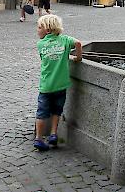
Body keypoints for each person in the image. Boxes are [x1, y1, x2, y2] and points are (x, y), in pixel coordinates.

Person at [33, 15, 82, 151]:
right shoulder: (65, 40)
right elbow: (78, 43)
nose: (37, 30)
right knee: (57, 110)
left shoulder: (41, 44)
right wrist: (77, 57)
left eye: (39, 27)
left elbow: (44, 59)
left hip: (46, 86)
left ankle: (39, 138)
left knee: (41, 112)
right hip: (61, 85)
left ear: (48, 30)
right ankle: (54, 134)